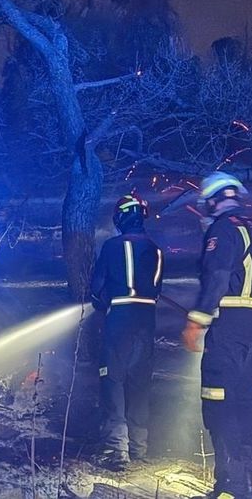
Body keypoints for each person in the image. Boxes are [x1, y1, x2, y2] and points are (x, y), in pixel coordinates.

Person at [182, 172, 252, 499]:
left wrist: (196, 322)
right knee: (243, 402)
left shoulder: (222, 229)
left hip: (228, 326)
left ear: (212, 200)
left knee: (218, 402)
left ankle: (232, 487)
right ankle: (244, 483)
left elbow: (218, 276)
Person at [88, 194, 163, 471]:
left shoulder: (111, 246)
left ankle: (116, 449)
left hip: (119, 318)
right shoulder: (156, 250)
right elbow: (157, 289)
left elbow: (97, 287)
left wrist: (100, 302)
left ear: (120, 217)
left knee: (113, 380)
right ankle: (139, 447)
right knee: (140, 383)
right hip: (147, 320)